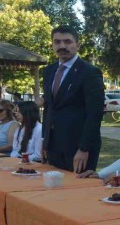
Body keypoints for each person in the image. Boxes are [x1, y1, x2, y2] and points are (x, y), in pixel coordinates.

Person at [41, 25, 104, 173]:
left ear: (77, 45)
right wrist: (45, 141)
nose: (62, 46)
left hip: (78, 148)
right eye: (57, 42)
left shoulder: (90, 72)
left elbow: (94, 114)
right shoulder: (49, 71)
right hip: (53, 146)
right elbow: (49, 108)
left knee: (77, 186)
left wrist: (84, 148)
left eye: (67, 41)